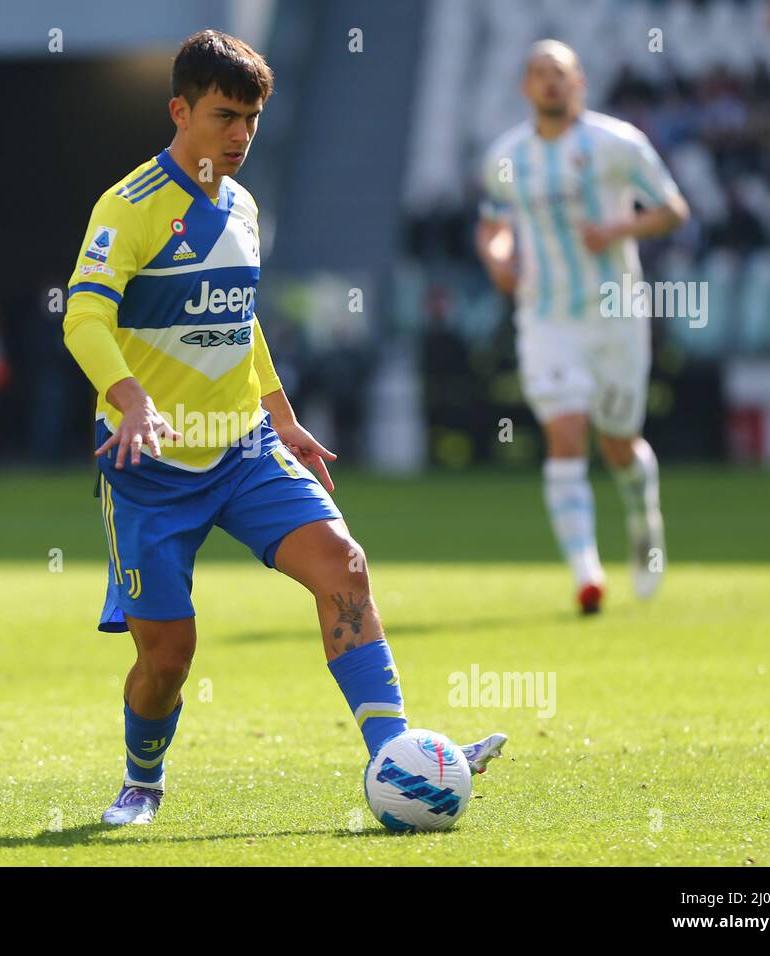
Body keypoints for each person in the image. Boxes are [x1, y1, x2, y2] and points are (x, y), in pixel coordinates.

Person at [62, 30, 506, 826]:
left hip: (246, 450)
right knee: (167, 657)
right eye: (225, 116)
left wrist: (283, 416)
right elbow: (84, 318)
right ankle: (142, 780)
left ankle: (398, 758)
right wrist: (129, 397)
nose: (240, 136)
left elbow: (238, 321)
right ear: (179, 110)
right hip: (151, 470)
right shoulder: (126, 208)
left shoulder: (242, 205)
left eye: (253, 120)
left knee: (344, 566)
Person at [475, 40, 690, 614]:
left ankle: (644, 521)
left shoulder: (618, 144)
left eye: (560, 74)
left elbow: (672, 208)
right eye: (539, 74)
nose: (550, 83)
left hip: (616, 315)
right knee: (565, 433)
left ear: (580, 84)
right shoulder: (507, 157)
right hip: (545, 317)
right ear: (525, 87)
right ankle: (586, 573)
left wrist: (619, 229)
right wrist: (498, 259)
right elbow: (492, 224)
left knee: (618, 445)